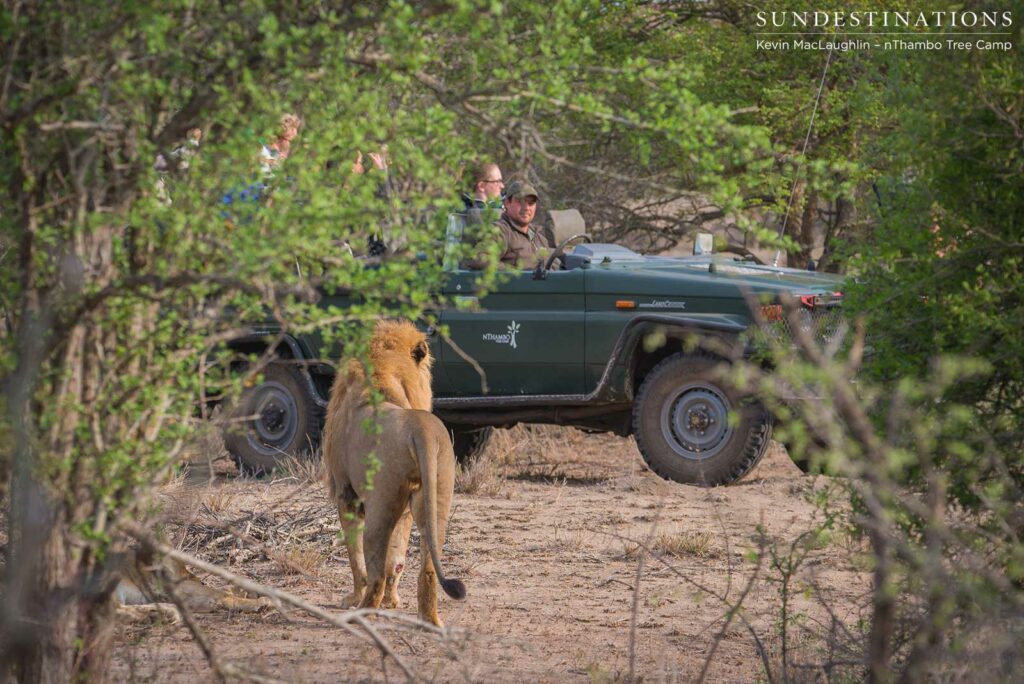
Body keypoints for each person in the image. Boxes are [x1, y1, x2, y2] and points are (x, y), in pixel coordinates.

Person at [464, 180, 555, 270]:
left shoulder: (538, 234)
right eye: (520, 202)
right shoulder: (500, 231)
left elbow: (553, 264)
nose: (526, 208)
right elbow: (479, 259)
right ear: (507, 203)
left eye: (531, 203)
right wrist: (515, 273)